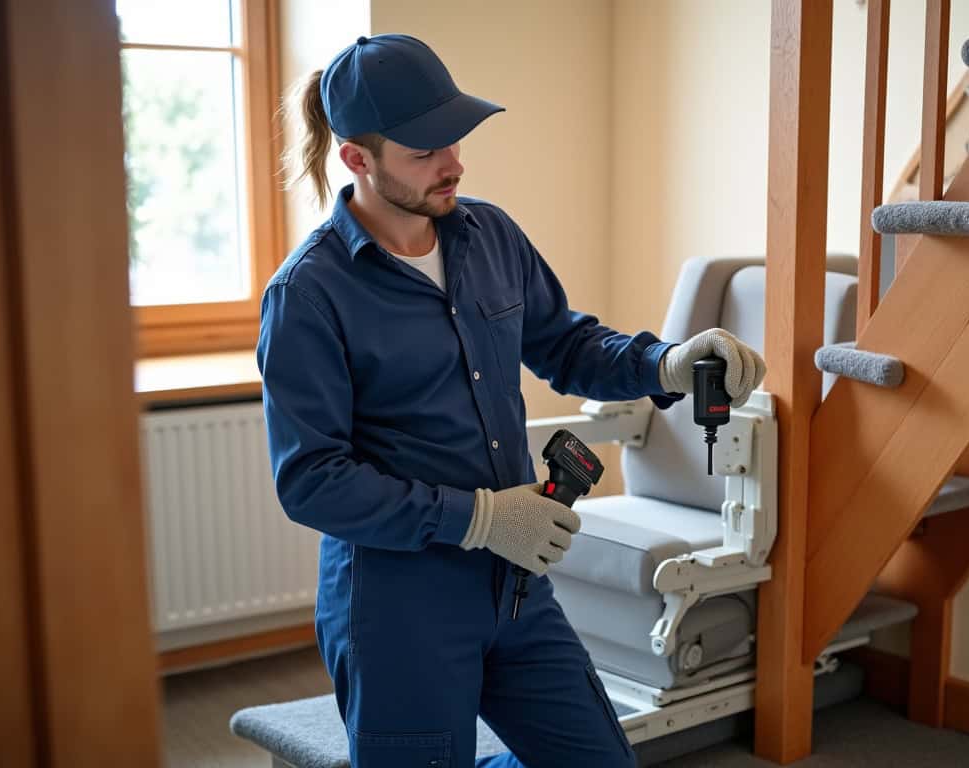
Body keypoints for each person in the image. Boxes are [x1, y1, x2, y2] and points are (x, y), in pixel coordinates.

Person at [258, 33, 766, 768]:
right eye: (424, 150)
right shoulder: (307, 295)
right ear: (356, 160)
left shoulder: (489, 235)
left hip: (515, 589)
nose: (453, 162)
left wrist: (670, 362)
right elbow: (311, 482)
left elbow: (566, 346)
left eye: (456, 138)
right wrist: (482, 518)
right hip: (399, 605)